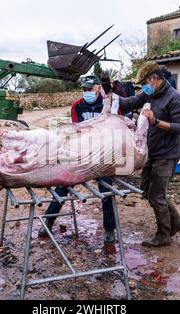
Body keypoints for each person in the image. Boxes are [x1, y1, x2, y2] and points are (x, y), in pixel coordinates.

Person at [38, 75, 118, 244]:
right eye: (84, 89)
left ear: (98, 88)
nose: (86, 92)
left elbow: (113, 127)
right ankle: (49, 220)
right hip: (82, 151)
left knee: (106, 189)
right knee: (64, 185)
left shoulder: (107, 104)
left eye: (90, 89)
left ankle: (110, 229)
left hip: (103, 153)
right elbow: (77, 130)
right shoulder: (77, 106)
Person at [115, 61, 180, 248]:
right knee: (149, 191)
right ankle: (177, 222)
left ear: (154, 79)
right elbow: (131, 102)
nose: (143, 88)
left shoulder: (175, 99)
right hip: (152, 152)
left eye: (145, 83)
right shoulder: (151, 93)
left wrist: (156, 121)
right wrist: (111, 98)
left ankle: (164, 234)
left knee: (157, 196)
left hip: (166, 154)